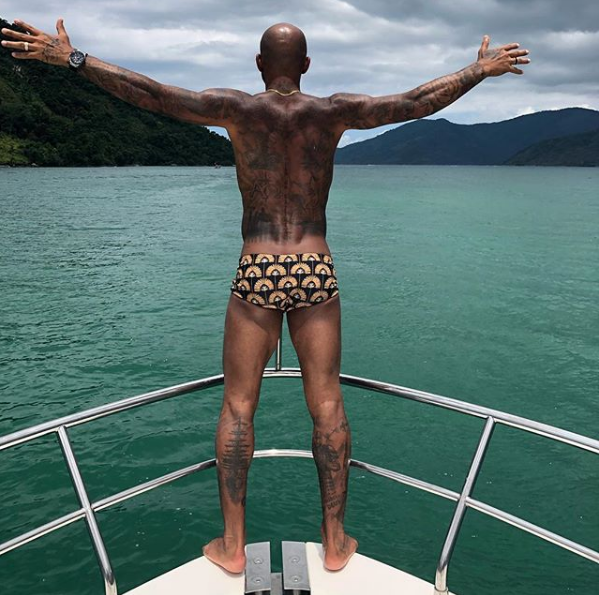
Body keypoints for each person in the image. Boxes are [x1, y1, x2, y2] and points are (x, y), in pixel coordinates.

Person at [1, 18, 530, 574]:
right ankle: (334, 541)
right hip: (313, 263)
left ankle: (233, 544)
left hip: (258, 264)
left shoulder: (236, 109)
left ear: (259, 65)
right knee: (327, 404)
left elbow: (152, 93)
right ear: (306, 66)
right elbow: (415, 102)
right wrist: (478, 70)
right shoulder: (333, 112)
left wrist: (75, 59)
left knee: (238, 406)